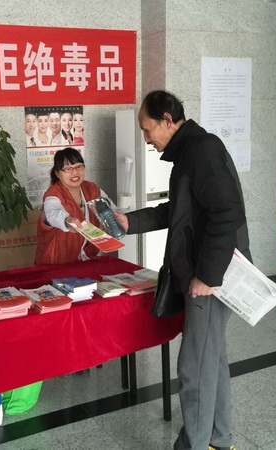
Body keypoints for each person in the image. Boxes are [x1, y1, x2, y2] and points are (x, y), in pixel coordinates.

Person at [115, 90, 251, 450]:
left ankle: (195, 444)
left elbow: (227, 213)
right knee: (211, 360)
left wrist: (207, 277)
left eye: (147, 129)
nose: (146, 138)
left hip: (210, 278)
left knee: (194, 368)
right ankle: (218, 439)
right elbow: (176, 210)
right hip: (206, 273)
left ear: (167, 120)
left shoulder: (202, 149)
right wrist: (129, 222)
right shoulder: (190, 152)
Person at [35, 147, 118, 265]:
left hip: (87, 259)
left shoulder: (92, 188)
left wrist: (121, 218)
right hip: (56, 264)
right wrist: (67, 221)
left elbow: (112, 208)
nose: (75, 172)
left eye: (79, 167)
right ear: (57, 173)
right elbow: (53, 213)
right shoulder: (53, 194)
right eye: (68, 169)